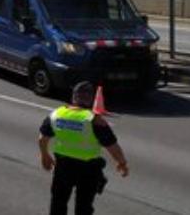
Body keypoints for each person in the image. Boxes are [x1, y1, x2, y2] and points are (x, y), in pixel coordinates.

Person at [39, 81, 128, 215]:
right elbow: (112, 146)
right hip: (88, 170)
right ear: (90, 99)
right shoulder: (95, 120)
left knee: (58, 202)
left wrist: (45, 155)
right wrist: (122, 163)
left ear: (74, 97)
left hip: (63, 167)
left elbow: (42, 138)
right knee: (84, 206)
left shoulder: (56, 114)